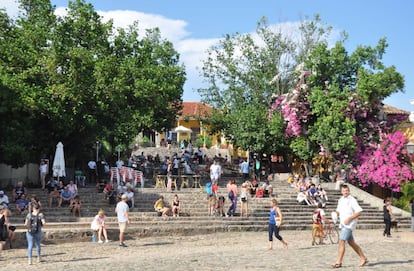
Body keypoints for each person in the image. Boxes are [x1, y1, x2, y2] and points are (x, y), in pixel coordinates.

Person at [331, 184, 368, 268]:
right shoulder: (340, 200)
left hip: (349, 224)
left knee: (341, 241)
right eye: (344, 191)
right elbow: (338, 211)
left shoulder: (352, 200)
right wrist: (334, 214)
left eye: (347, 190)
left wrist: (350, 219)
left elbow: (359, 212)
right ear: (341, 191)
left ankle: (339, 262)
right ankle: (363, 258)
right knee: (351, 243)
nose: (345, 192)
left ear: (349, 191)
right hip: (343, 224)